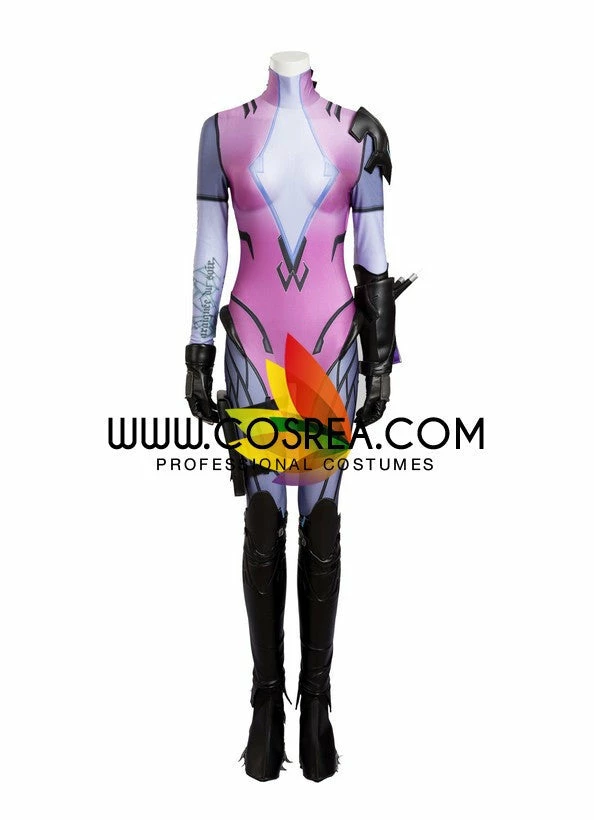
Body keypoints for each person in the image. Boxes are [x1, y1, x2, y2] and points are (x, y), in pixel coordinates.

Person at [185, 52, 397, 781]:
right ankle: (267, 709)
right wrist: (198, 347)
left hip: (327, 348)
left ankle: (315, 708)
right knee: (264, 527)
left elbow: (373, 251)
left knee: (321, 528)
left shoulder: (358, 134)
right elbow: (210, 244)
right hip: (256, 343)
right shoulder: (219, 133)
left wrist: (379, 358)